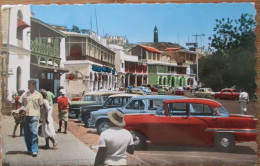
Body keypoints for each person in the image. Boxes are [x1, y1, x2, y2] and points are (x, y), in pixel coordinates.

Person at [19, 80, 43, 157]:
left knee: (34, 133)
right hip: (26, 116)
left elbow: (41, 106)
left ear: (34, 85)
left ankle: (34, 150)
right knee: (27, 134)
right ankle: (29, 149)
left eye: (29, 85)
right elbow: (20, 103)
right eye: (28, 84)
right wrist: (19, 110)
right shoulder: (25, 94)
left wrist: (41, 117)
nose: (28, 86)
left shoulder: (39, 95)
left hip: (35, 116)